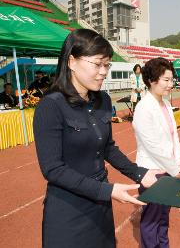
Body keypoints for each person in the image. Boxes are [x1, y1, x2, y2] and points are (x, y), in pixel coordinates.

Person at [33, 29, 163, 248]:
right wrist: (107, 190)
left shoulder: (103, 99)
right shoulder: (51, 106)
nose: (104, 72)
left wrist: (140, 174)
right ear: (72, 61)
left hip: (100, 207)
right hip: (68, 211)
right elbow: (52, 169)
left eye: (107, 65)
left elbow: (108, 148)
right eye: (97, 64)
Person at [132, 57, 180, 248]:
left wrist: (179, 158)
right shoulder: (143, 108)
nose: (171, 84)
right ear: (152, 80)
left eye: (172, 80)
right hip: (152, 172)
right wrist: (175, 166)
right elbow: (153, 146)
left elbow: (174, 136)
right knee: (151, 219)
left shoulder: (166, 104)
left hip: (168, 169)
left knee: (163, 216)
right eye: (166, 80)